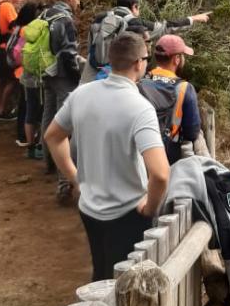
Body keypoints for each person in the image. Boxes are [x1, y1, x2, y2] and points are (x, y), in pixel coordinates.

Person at [44, 32, 170, 281]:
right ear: (138, 63)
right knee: (125, 284)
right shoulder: (140, 107)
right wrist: (150, 207)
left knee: (100, 271)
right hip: (127, 211)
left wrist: (75, 178)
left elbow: (53, 136)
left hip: (89, 206)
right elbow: (161, 173)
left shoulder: (82, 94)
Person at [80, 0, 211, 83]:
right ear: (134, 6)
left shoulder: (99, 18)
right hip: (114, 75)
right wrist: (193, 18)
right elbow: (165, 27)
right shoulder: (134, 23)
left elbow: (91, 44)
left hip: (90, 72)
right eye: (138, 8)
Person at [39, 0, 82, 179]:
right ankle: (63, 170)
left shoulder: (44, 14)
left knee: (48, 118)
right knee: (63, 123)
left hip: (45, 71)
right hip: (62, 75)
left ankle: (48, 162)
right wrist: (77, 76)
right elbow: (68, 52)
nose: (78, 2)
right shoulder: (65, 19)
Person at [140, 34, 201, 164]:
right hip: (168, 157)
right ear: (177, 59)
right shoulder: (184, 88)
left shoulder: (140, 82)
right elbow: (192, 132)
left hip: (140, 153)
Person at [10, 1, 43, 155]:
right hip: (25, 71)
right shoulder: (28, 31)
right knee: (27, 106)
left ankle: (22, 135)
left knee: (24, 105)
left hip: (20, 70)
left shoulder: (19, 27)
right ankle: (23, 136)